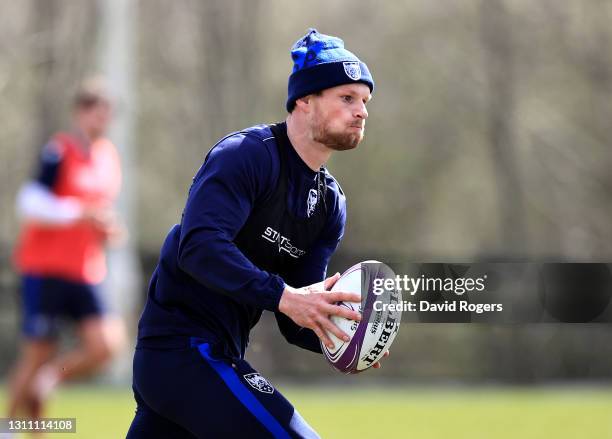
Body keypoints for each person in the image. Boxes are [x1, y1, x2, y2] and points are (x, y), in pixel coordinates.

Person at [127, 29, 386, 439]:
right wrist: (284, 296)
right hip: (180, 353)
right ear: (305, 99)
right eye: (347, 98)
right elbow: (199, 247)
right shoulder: (246, 156)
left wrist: (347, 336)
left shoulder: (330, 205)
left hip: (215, 358)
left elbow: (299, 315)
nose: (362, 112)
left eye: (365, 102)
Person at [8, 77, 127, 421]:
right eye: (94, 111)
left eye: (106, 113)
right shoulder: (59, 150)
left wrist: (109, 229)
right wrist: (79, 212)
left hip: (86, 269)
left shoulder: (108, 159)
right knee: (36, 354)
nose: (101, 120)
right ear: (79, 113)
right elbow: (29, 203)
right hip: (45, 268)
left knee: (107, 345)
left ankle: (50, 379)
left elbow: (100, 211)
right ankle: (11, 428)